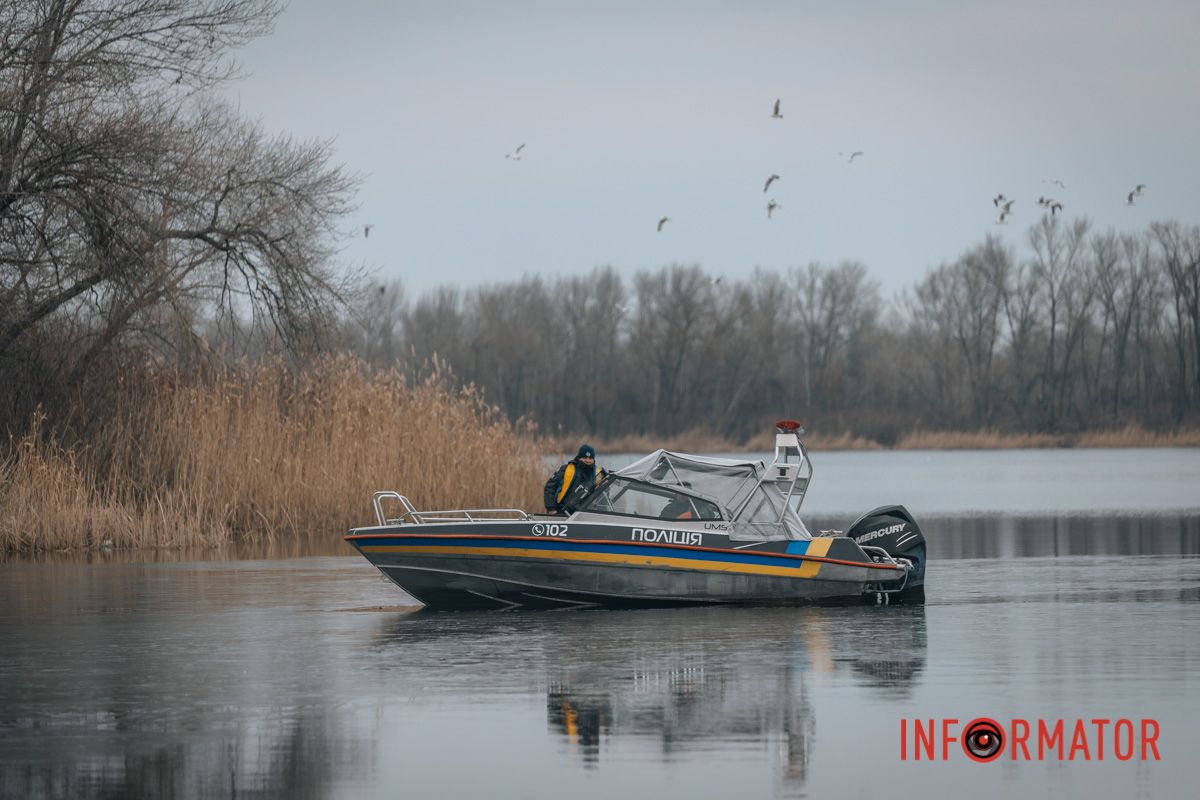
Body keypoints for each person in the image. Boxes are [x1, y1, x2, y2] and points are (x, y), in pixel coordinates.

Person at [544, 444, 606, 514]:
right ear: (579, 457)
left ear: (593, 459)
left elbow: (604, 495)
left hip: (587, 514)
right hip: (562, 512)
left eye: (590, 458)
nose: (588, 460)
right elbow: (550, 487)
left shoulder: (599, 474)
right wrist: (551, 508)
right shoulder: (565, 469)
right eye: (585, 458)